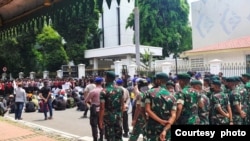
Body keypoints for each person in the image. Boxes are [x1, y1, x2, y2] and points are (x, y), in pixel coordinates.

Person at [145, 72, 176, 141]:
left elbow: (147, 110)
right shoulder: (172, 96)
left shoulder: (150, 92)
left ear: (158, 81)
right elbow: (173, 115)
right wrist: (165, 129)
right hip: (166, 128)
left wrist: (160, 121)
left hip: (153, 127)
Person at [99, 71, 124, 141]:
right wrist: (121, 115)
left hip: (108, 118)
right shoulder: (120, 90)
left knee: (110, 136)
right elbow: (122, 105)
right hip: (118, 116)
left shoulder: (104, 91)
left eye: (105, 76)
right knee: (119, 136)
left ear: (107, 78)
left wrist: (100, 120)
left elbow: (102, 108)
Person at [85, 77, 104, 141]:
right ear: (101, 82)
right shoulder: (104, 91)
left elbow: (86, 100)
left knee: (94, 125)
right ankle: (101, 138)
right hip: (102, 109)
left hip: (94, 109)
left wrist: (90, 103)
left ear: (95, 83)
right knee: (101, 124)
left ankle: (95, 139)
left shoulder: (93, 91)